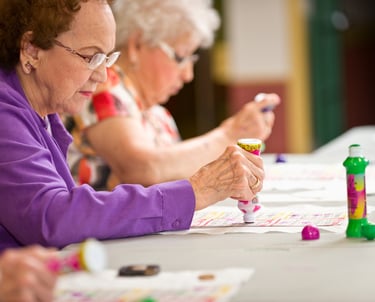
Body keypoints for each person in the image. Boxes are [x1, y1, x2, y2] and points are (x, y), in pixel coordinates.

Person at [0, 0, 264, 251]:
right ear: (32, 50)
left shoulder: (44, 112)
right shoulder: (5, 112)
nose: (102, 75)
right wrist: (196, 191)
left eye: (107, 59)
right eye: (90, 57)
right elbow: (52, 217)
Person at [67, 0, 281, 190]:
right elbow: (143, 169)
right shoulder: (104, 86)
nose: (188, 75)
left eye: (191, 60)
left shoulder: (158, 116)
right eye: (180, 57)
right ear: (137, 44)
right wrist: (229, 134)